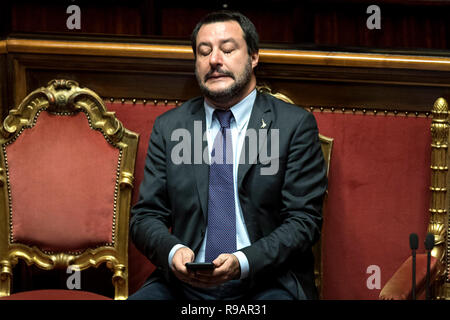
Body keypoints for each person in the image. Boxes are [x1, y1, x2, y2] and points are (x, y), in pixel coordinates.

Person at [128, 10, 327, 300]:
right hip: (184, 283)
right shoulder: (171, 127)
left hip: (266, 281)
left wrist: (243, 262)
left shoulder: (293, 125)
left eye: (228, 49)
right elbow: (145, 216)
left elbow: (303, 220)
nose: (214, 60)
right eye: (203, 52)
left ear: (254, 56)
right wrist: (173, 252)